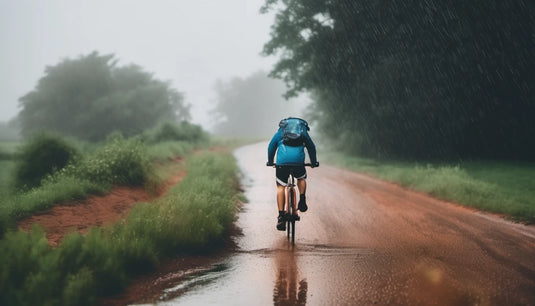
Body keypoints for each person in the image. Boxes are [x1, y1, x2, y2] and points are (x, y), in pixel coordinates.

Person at [267, 117, 319, 231]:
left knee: (281, 186)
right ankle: (302, 198)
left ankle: (281, 216)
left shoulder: (280, 132)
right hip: (298, 163)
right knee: (301, 178)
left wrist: (270, 161)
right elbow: (311, 147)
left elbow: (271, 146)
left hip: (282, 163)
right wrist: (314, 162)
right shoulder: (303, 132)